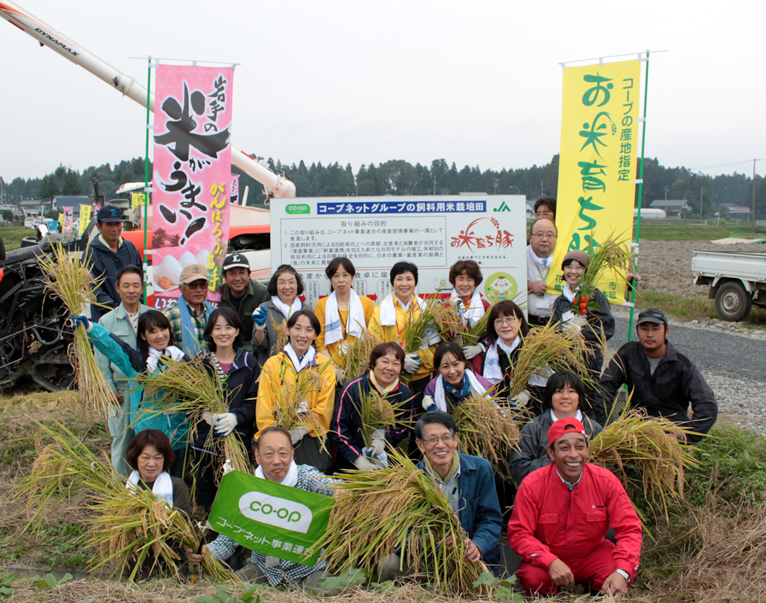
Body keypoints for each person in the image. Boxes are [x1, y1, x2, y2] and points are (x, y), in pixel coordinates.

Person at [189, 426, 340, 588]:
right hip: (264, 569)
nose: (276, 461)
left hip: (308, 569)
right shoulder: (248, 489)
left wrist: (340, 490)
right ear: (257, 456)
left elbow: (328, 485)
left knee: (325, 591)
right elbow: (228, 541)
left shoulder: (306, 477)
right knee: (232, 590)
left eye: (283, 453)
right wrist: (207, 552)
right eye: (269, 454)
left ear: (292, 455)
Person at [509, 417, 642, 596]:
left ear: (588, 450)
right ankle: (551, 593)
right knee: (533, 579)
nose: (573, 455)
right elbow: (519, 533)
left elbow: (630, 529)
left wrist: (623, 572)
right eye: (564, 448)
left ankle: (598, 593)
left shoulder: (606, 481)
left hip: (591, 554)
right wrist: (549, 561)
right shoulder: (532, 485)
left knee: (617, 573)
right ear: (551, 453)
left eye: (580, 447)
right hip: (549, 555)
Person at [378, 411, 503, 580]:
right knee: (387, 565)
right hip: (427, 560)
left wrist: (477, 545)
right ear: (420, 445)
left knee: (484, 585)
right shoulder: (411, 481)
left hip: (469, 559)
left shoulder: (480, 469)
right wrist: (428, 539)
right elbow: (399, 537)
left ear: (456, 439)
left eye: (446, 437)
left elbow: (491, 519)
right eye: (432, 440)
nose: (440, 445)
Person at [76, 311, 189, 477]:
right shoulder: (138, 362)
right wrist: (90, 327)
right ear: (143, 336)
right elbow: (113, 346)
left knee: (176, 484)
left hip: (178, 437)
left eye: (163, 329)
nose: (160, 336)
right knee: (148, 487)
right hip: (148, 439)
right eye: (152, 331)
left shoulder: (180, 359)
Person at [594, 308, 717, 442]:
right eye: (644, 329)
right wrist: (605, 427)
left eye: (655, 329)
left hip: (669, 436)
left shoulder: (681, 363)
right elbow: (604, 389)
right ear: (637, 331)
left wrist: (684, 436)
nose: (649, 334)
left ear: (666, 331)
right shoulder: (628, 353)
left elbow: (707, 406)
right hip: (635, 431)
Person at [192, 307, 259, 511]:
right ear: (210, 332)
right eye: (217, 328)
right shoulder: (201, 363)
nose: (223, 333)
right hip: (206, 444)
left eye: (228, 327)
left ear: (237, 331)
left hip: (239, 441)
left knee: (237, 497)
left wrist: (236, 417)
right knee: (210, 500)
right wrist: (205, 415)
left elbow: (256, 400)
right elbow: (189, 401)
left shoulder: (249, 363)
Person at [256, 310, 336, 472]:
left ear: (315, 335)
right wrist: (275, 435)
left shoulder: (324, 366)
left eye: (309, 330)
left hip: (310, 438)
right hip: (277, 435)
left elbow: (325, 408)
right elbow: (264, 406)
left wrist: (302, 429)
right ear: (288, 331)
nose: (302, 335)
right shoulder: (273, 364)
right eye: (297, 328)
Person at [95, 265, 151, 476]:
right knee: (121, 439)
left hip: (148, 391)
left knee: (148, 440)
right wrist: (109, 388)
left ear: (142, 288)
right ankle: (120, 490)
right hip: (122, 391)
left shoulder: (153, 315)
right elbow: (100, 361)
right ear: (117, 288)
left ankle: (148, 488)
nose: (131, 290)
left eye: (136, 285)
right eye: (126, 285)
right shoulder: (106, 321)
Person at [330, 342, 413, 471]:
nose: (390, 368)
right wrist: (357, 457)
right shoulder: (353, 389)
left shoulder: (404, 393)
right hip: (349, 463)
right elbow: (339, 430)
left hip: (384, 462)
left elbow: (404, 427)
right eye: (384, 361)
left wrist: (382, 442)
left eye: (396, 364)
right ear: (373, 363)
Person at [509, 371, 602, 486]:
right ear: (550, 396)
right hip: (542, 495)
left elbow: (608, 466)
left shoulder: (594, 429)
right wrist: (557, 463)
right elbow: (518, 467)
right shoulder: (533, 428)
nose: (565, 396)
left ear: (580, 397)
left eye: (571, 391)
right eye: (558, 391)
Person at [368, 261, 439, 408]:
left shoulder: (426, 312)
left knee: (419, 424)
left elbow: (435, 348)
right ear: (392, 282)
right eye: (399, 279)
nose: (404, 283)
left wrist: (418, 359)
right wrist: (399, 360)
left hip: (420, 378)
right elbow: (374, 345)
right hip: (390, 378)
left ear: (415, 282)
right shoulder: (380, 311)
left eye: (409, 279)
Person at [550, 250, 615, 408]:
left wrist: (580, 334)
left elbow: (607, 327)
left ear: (586, 271)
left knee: (586, 399)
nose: (573, 271)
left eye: (578, 267)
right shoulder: (560, 301)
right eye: (568, 266)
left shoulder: (595, 296)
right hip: (565, 360)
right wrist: (563, 335)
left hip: (588, 360)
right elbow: (553, 329)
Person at [314, 257, 374, 383]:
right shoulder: (322, 305)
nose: (341, 280)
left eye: (345, 275)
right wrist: (332, 368)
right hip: (331, 373)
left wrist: (362, 364)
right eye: (336, 276)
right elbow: (319, 339)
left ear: (352, 277)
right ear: (330, 279)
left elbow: (372, 335)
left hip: (361, 369)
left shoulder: (366, 303)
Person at [83, 205, 142, 321]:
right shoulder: (91, 252)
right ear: (99, 226)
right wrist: (117, 310)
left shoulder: (130, 248)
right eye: (109, 224)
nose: (114, 229)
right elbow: (93, 289)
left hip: (134, 315)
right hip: (105, 318)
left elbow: (140, 279)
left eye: (117, 224)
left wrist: (136, 307)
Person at [481, 300, 542, 412]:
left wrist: (528, 394)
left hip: (532, 414)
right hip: (502, 415)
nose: (505, 325)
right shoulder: (490, 355)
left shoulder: (532, 349)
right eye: (499, 321)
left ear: (519, 321)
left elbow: (545, 385)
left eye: (509, 319)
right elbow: (486, 389)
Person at [125, 429, 191, 517]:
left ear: (165, 459)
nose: (151, 464)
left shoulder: (177, 486)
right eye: (145, 457)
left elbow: (183, 522)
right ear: (135, 457)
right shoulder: (125, 487)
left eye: (157, 458)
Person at [252, 264, 306, 367]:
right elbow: (258, 345)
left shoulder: (306, 310)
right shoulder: (265, 308)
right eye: (282, 283)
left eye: (291, 282)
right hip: (272, 370)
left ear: (297, 285)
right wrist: (260, 327)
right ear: (275, 286)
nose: (287, 287)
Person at [422, 342, 494, 414]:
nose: (452, 371)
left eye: (456, 364)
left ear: (464, 362)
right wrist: (432, 412)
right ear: (438, 368)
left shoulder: (483, 386)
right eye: (445, 366)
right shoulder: (432, 388)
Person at [447, 259, 491, 374]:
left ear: (475, 282)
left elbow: (493, 334)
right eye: (461, 279)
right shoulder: (445, 306)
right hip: (451, 361)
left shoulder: (485, 306)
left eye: (469, 279)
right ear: (454, 281)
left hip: (478, 361)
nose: (465, 284)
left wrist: (480, 347)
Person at [219, 253, 269, 351]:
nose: (237, 278)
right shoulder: (218, 295)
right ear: (225, 277)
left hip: (254, 348)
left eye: (242, 272)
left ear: (249, 275)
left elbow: (266, 332)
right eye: (232, 273)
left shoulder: (262, 292)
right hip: (225, 347)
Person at [163, 264, 214, 357]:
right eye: (193, 285)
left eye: (203, 285)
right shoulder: (170, 315)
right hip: (183, 370)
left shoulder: (213, 313)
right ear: (181, 288)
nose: (199, 290)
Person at [526, 219, 558, 327]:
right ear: (530, 237)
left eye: (549, 235)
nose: (544, 239)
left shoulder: (565, 258)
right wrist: (531, 286)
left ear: (556, 238)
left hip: (557, 322)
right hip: (527, 322)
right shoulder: (520, 255)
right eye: (539, 234)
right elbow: (509, 280)